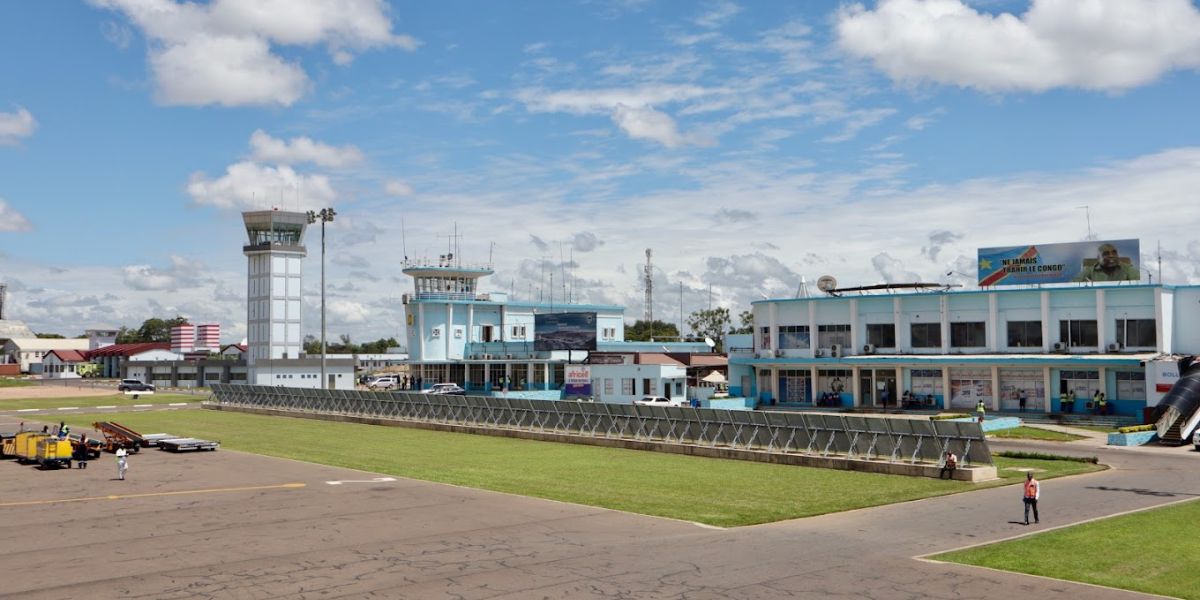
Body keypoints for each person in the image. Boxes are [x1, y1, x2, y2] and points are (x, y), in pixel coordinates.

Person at [1072, 243, 1140, 282]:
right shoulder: (1090, 271)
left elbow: (1139, 283)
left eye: (1114, 253)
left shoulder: (1127, 268)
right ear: (1098, 258)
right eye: (1106, 253)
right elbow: (1072, 284)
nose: (1111, 256)